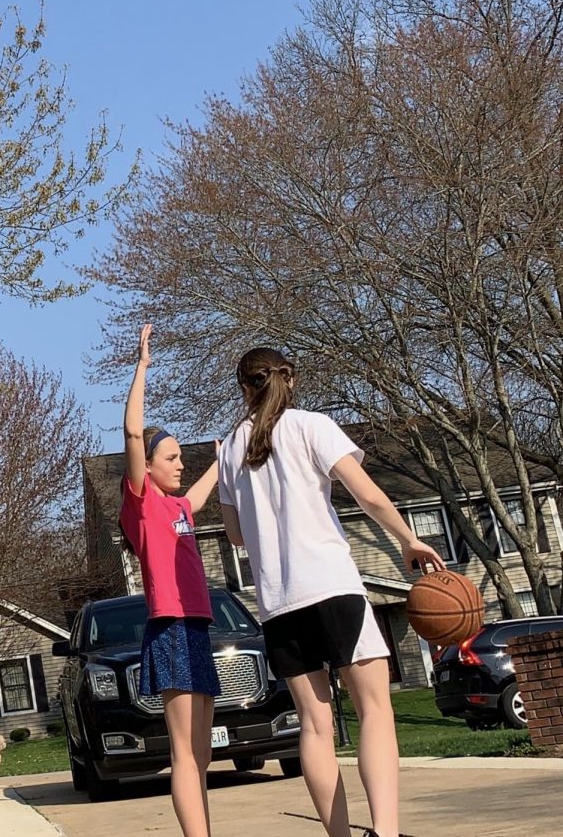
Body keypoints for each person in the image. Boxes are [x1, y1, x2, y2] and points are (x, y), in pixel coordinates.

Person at [217, 347, 446, 837]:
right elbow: (368, 494)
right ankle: (384, 831)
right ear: (290, 379)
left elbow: (235, 537)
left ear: (243, 387)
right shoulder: (311, 425)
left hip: (278, 603)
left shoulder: (229, 448)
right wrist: (408, 540)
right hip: (332, 586)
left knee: (316, 727)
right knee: (375, 710)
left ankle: (339, 835)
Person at [119, 324, 221, 837]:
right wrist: (142, 367)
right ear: (149, 467)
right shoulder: (141, 504)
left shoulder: (180, 507)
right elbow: (134, 433)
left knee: (202, 754)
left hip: (198, 625)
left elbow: (201, 493)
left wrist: (228, 454)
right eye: (173, 458)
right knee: (184, 752)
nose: (181, 465)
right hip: (171, 627)